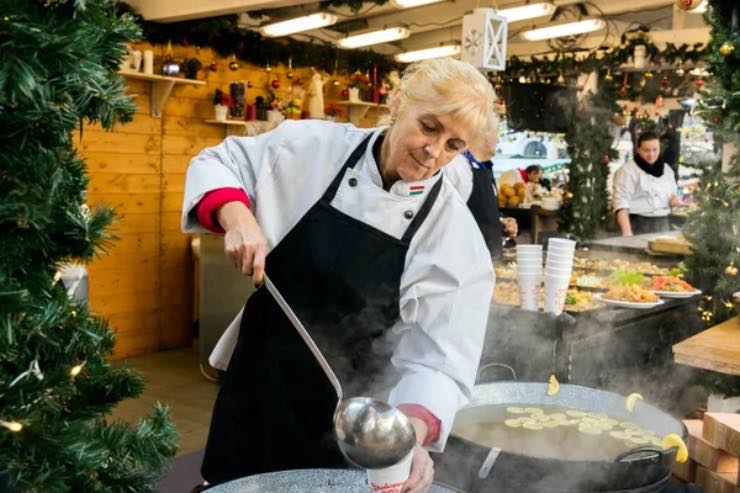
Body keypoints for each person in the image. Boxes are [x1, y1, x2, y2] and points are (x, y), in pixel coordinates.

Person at [182, 58, 496, 491]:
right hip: (261, 381)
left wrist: (408, 434)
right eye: (428, 127)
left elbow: (440, 360)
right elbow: (219, 162)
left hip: (355, 419)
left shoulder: (454, 236)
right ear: (397, 102)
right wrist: (236, 216)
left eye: (453, 145)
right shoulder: (312, 147)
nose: (433, 152)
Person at [444, 138, 517, 259]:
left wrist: (499, 223)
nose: (498, 139)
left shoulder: (483, 166)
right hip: (466, 258)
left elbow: (476, 211)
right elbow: (449, 217)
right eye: (494, 133)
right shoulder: (455, 166)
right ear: (479, 133)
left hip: (488, 258)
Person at [613, 130, 680, 236]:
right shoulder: (627, 171)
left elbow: (672, 195)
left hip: (663, 223)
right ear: (638, 149)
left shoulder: (667, 170)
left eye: (655, 150)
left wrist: (674, 200)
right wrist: (627, 233)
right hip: (637, 224)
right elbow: (621, 204)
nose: (651, 154)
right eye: (646, 150)